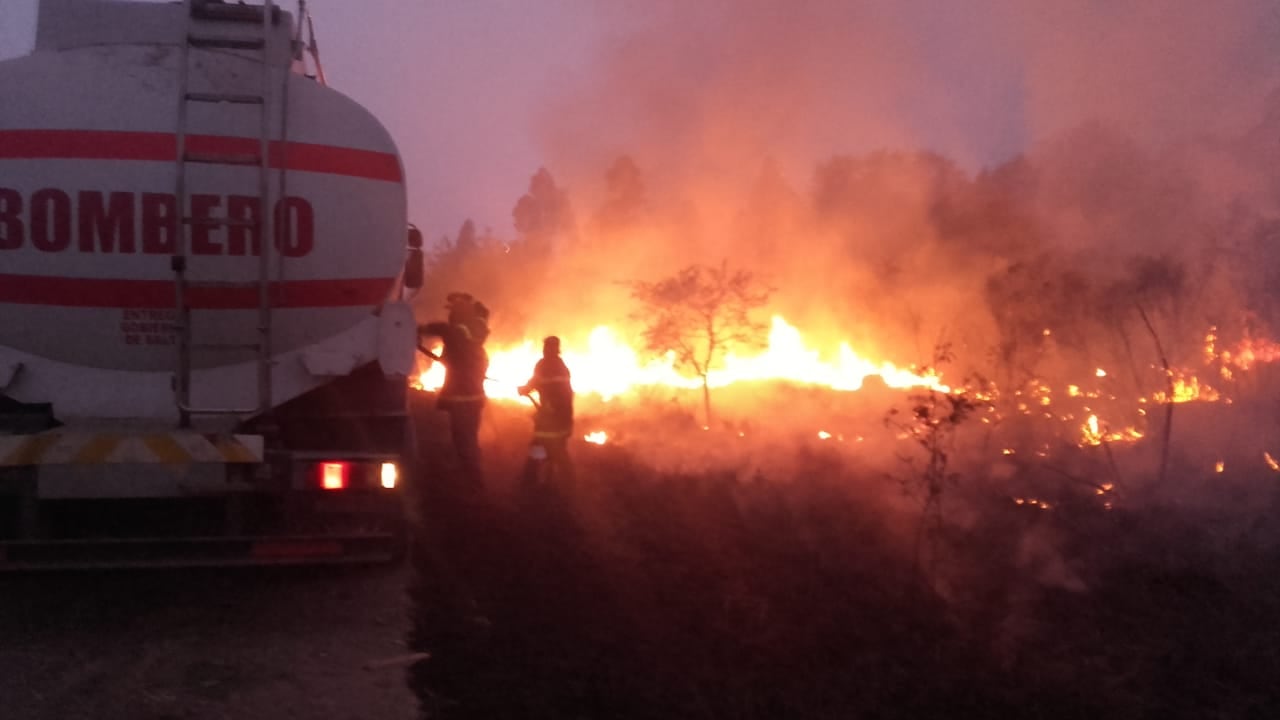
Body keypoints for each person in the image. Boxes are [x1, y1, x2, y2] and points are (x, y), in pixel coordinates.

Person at [419, 292, 490, 486]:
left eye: (454, 309)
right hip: (473, 396)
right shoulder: (477, 327)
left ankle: (473, 479)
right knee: (468, 437)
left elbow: (443, 329)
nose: (451, 313)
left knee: (463, 437)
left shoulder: (458, 331)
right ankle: (471, 472)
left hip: (462, 397)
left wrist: (418, 328)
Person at [518, 336, 575, 483]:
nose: (545, 350)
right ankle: (564, 479)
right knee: (557, 447)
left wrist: (525, 389)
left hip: (550, 416)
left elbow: (537, 383)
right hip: (562, 416)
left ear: (554, 349)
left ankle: (531, 478)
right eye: (545, 347)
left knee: (540, 444)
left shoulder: (544, 365)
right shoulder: (562, 366)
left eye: (547, 347)